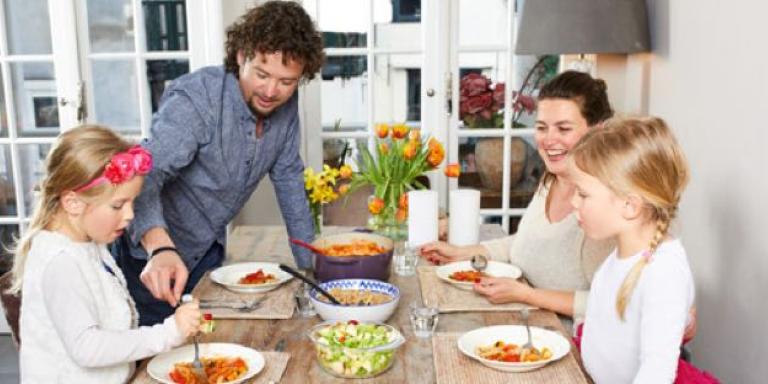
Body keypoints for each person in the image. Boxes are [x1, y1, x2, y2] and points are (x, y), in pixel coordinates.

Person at [111, 0, 325, 325]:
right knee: (151, 362)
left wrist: (315, 270)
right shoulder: (198, 100)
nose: (271, 91)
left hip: (206, 257)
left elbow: (288, 179)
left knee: (208, 354)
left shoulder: (285, 105)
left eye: (286, 81)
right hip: (149, 263)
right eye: (262, 74)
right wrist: (160, 249)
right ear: (241, 56)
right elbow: (146, 175)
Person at [421, 71, 615, 326]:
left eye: (564, 128)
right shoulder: (552, 180)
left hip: (570, 346)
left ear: (598, 130)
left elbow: (612, 305)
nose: (549, 140)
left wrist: (527, 295)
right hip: (525, 319)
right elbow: (527, 243)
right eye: (542, 127)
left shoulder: (604, 205)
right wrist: (463, 254)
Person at [9, 126, 201, 383]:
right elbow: (87, 348)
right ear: (73, 202)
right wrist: (168, 333)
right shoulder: (61, 263)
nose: (131, 215)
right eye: (118, 205)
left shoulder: (87, 243)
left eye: (132, 202)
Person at [570, 117, 695, 383]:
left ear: (630, 206)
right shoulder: (621, 255)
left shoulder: (663, 271)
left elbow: (656, 373)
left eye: (583, 194)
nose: (573, 202)